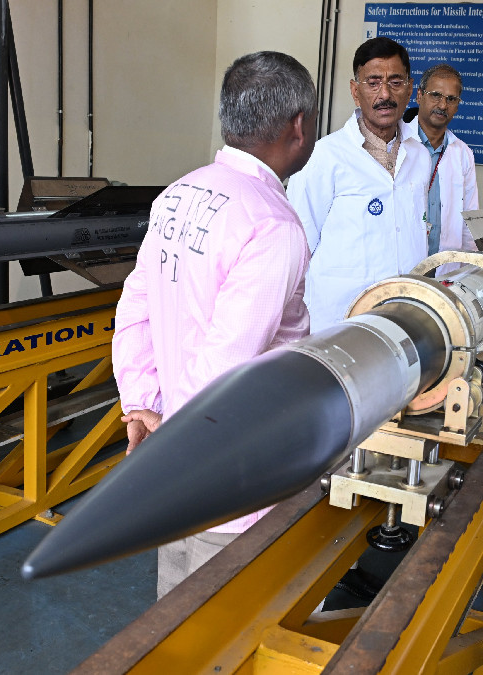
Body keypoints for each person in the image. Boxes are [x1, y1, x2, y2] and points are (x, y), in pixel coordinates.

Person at [112, 51, 317, 599]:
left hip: (172, 456)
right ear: (299, 126)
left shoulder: (179, 192)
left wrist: (144, 404)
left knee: (173, 624)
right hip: (237, 476)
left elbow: (136, 308)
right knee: (225, 627)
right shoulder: (273, 225)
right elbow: (228, 361)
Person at [287, 37, 428, 331]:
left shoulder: (419, 155)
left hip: (404, 318)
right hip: (336, 322)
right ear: (355, 91)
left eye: (395, 82)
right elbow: (295, 249)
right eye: (373, 82)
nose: (385, 94)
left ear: (410, 88)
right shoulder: (323, 156)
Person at [405, 63, 479, 263]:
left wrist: (467, 267)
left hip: (446, 266)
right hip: (402, 263)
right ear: (419, 95)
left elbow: (469, 217)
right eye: (435, 95)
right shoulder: (397, 144)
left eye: (451, 99)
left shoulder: (463, 153)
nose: (443, 105)